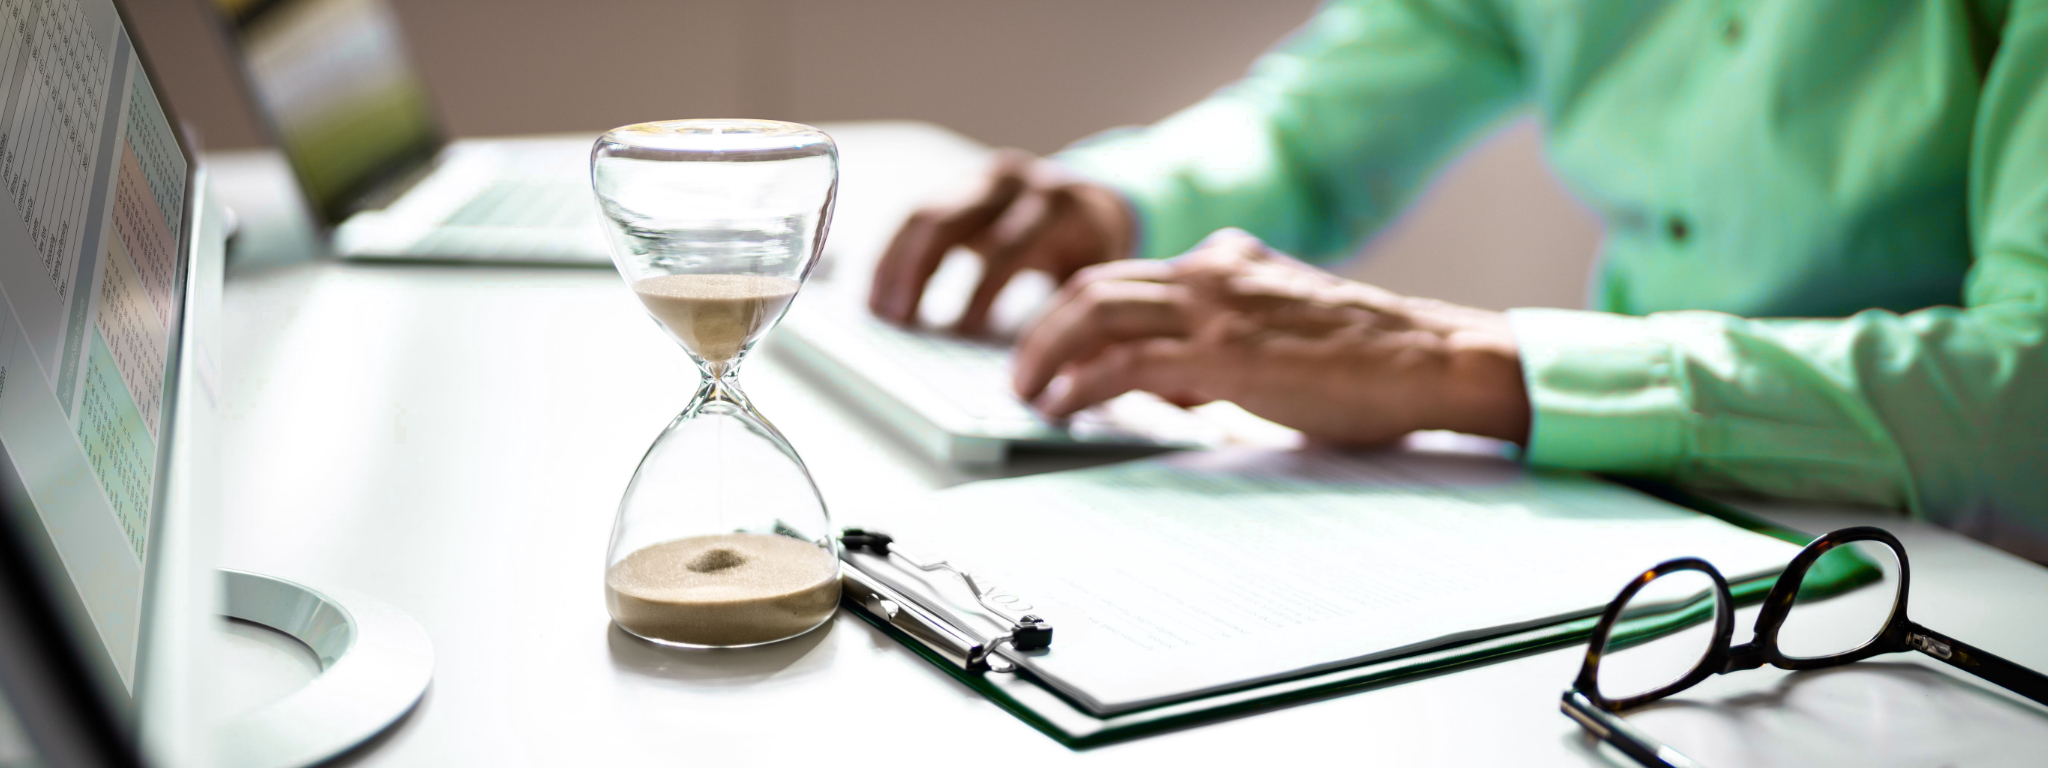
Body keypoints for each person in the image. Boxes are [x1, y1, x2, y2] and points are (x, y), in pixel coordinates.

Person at [866, 0, 2048, 559]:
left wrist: (1449, 365)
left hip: (1961, 573)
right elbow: (1320, 121)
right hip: (1632, 515)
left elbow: (2026, 397)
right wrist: (1116, 200)